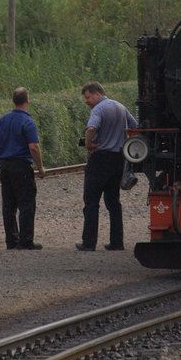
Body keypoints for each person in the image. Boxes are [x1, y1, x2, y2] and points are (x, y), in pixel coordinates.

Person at [76, 81, 137, 252]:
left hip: (100, 159)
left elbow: (91, 129)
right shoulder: (120, 107)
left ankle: (89, 242)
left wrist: (89, 145)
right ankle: (117, 242)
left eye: (88, 97)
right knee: (113, 202)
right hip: (118, 159)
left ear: (97, 94)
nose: (86, 101)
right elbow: (135, 127)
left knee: (91, 202)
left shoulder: (99, 109)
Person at [0, 86, 45, 249]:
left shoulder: (3, 120)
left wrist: (8, 147)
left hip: (5, 165)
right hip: (21, 166)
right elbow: (34, 147)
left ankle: (11, 240)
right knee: (26, 204)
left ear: (13, 101)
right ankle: (26, 241)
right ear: (27, 100)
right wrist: (40, 167)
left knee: (8, 204)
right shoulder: (28, 122)